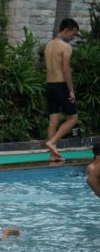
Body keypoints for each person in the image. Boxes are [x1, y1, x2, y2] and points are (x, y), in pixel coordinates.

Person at [44, 18, 80, 162]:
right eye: (73, 34)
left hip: (49, 85)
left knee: (53, 121)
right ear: (66, 30)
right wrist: (71, 90)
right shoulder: (66, 47)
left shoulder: (49, 45)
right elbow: (66, 69)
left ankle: (52, 155)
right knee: (73, 118)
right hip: (60, 86)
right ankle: (52, 142)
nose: (72, 38)